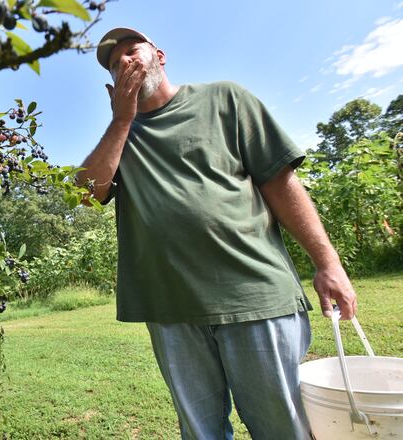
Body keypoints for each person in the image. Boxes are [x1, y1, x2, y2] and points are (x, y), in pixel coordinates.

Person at [76, 27, 358, 439]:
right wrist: (122, 120)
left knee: (283, 428)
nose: (126, 64)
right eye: (116, 65)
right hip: (171, 310)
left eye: (132, 52)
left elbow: (281, 185)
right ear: (112, 85)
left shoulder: (225, 99)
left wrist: (328, 263)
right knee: (201, 433)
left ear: (159, 54)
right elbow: (85, 193)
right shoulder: (119, 139)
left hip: (255, 296)